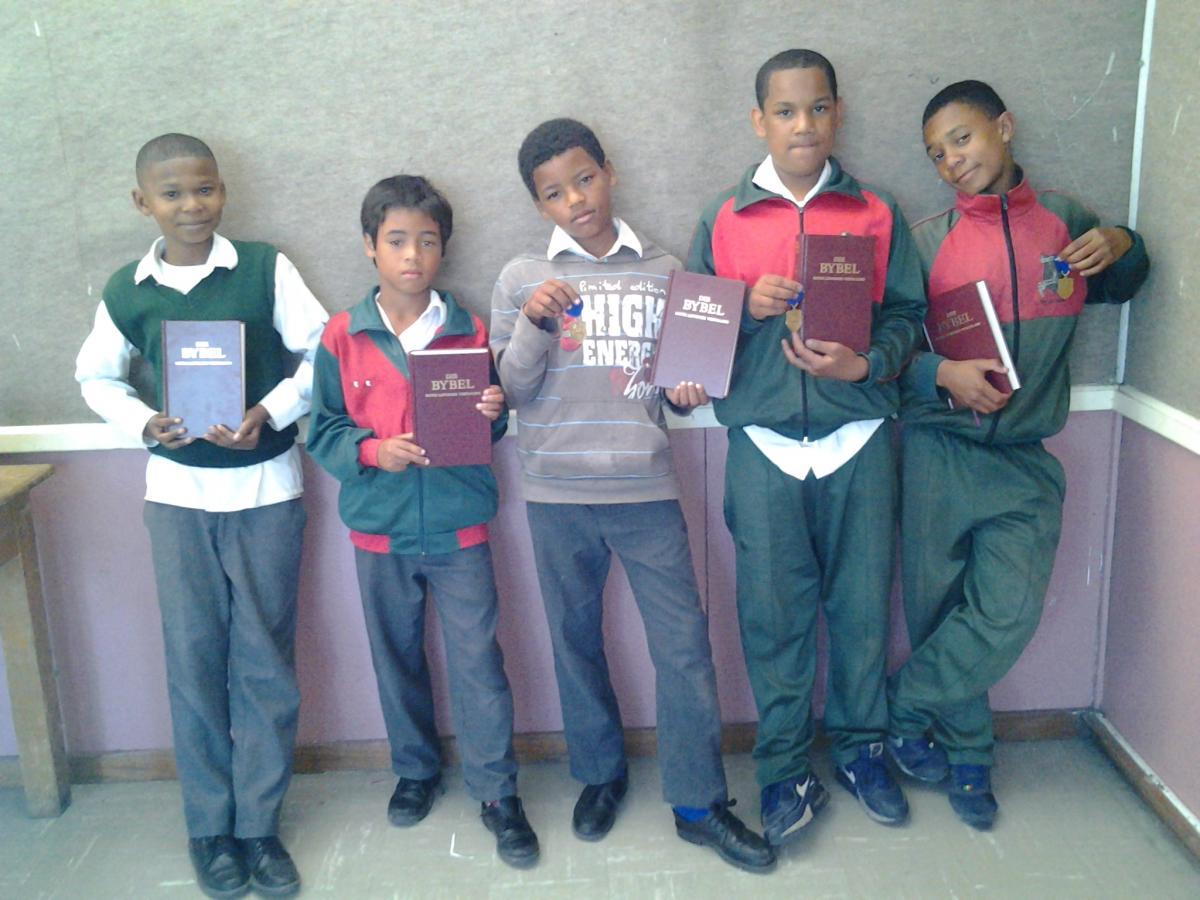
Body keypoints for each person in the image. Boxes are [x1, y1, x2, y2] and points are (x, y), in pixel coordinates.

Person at [489, 118, 776, 873]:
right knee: (575, 640)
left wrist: (687, 390)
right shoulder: (520, 276)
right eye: (556, 193)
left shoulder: (664, 269)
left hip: (645, 489)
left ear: (608, 173)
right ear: (540, 205)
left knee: (683, 648)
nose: (576, 200)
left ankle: (697, 804)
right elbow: (510, 389)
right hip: (555, 492)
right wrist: (535, 321)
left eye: (584, 179)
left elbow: (679, 387)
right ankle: (599, 774)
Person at [888, 79, 1149, 830]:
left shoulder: (1067, 221)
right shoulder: (926, 240)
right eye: (937, 154)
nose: (951, 161)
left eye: (962, 139)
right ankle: (970, 754)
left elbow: (1125, 282)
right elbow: (885, 350)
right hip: (939, 452)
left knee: (1004, 614)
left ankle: (898, 708)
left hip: (1026, 458)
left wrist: (1125, 243)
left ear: (1004, 127)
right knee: (942, 615)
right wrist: (940, 374)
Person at [75, 133, 328, 897]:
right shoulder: (129, 290)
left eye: (206, 188)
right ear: (143, 203)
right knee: (192, 663)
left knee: (265, 664)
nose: (193, 205)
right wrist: (144, 421)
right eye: (174, 193)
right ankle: (210, 830)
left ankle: (259, 827)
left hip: (267, 492)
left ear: (223, 191)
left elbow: (325, 351)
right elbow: (95, 377)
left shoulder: (264, 268)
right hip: (179, 499)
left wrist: (268, 410)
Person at [686, 49, 926, 845]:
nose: (803, 125)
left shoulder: (877, 212)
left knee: (862, 611)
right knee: (773, 620)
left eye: (818, 108)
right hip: (763, 447)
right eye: (785, 111)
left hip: (860, 440)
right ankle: (784, 768)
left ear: (838, 114)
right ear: (759, 121)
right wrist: (743, 305)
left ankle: (861, 750)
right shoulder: (723, 217)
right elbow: (693, 338)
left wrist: (868, 363)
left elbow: (908, 317)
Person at [306, 174, 539, 869]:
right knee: (397, 656)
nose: (413, 255)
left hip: (459, 529)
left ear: (444, 249)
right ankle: (415, 770)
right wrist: (373, 451)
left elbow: (485, 429)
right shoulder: (343, 335)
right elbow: (322, 428)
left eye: (428, 241)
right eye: (397, 240)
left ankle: (497, 792)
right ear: (370, 247)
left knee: (478, 662)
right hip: (379, 528)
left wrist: (493, 413)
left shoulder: (468, 330)